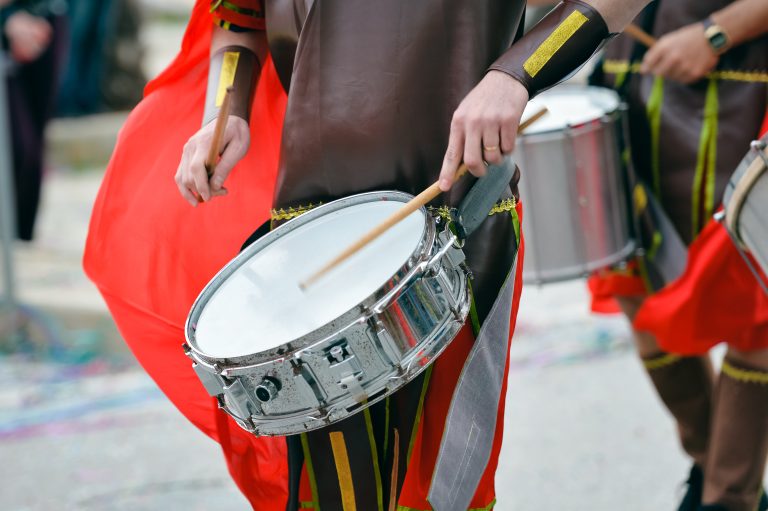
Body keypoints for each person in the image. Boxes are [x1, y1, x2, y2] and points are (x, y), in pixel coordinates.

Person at [85, 1, 651, 509]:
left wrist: (515, 76)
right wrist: (225, 111)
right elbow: (239, 16)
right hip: (310, 220)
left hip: (457, 207)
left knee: (445, 489)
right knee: (334, 495)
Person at [588, 2, 768, 510]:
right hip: (630, 80)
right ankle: (717, 470)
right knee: (636, 288)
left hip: (746, 81)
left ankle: (727, 499)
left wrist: (715, 34)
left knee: (755, 299)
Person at [1, 0, 67, 240]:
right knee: (18, 143)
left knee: (35, 146)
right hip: (7, 24)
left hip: (45, 15)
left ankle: (21, 239)